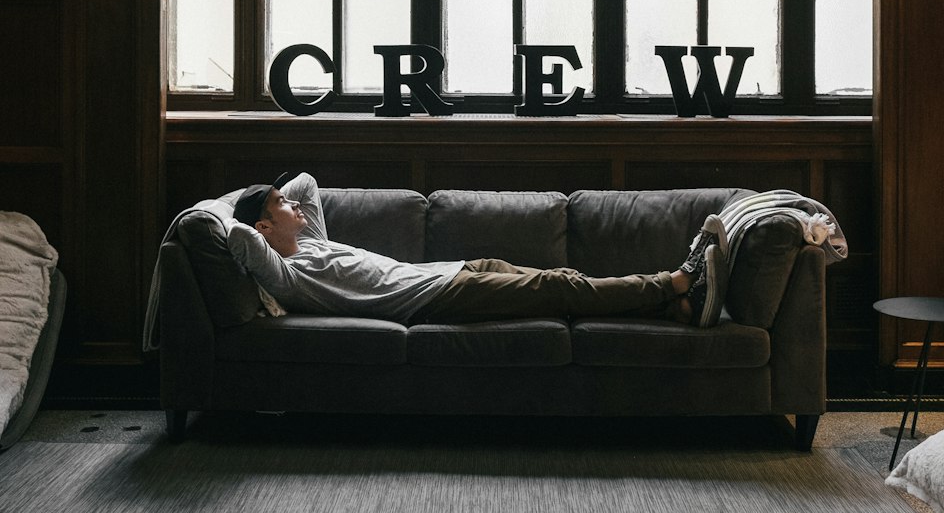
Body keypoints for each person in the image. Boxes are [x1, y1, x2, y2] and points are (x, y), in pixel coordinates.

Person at [227, 173, 730, 329]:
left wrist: (272, 203)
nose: (295, 203)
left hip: (448, 272)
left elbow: (307, 182)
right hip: (432, 299)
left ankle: (681, 309)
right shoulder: (288, 273)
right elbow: (238, 239)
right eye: (280, 205)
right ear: (266, 225)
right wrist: (222, 212)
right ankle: (679, 280)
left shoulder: (309, 237)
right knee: (557, 286)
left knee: (562, 276)